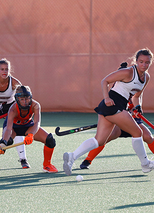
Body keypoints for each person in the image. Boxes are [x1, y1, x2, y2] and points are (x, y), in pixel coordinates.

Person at [63, 48, 154, 176]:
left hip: (115, 107)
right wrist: (106, 98)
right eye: (141, 62)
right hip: (113, 104)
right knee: (137, 132)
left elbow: (136, 96)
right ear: (136, 61)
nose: (144, 65)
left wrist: (138, 107)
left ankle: (72, 156)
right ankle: (145, 164)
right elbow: (105, 81)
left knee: (99, 140)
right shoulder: (127, 72)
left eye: (147, 62)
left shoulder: (146, 77)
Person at [0, 85, 58, 175]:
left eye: (27, 98)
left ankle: (47, 165)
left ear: (30, 97)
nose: (25, 102)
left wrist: (31, 134)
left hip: (28, 126)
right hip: (13, 128)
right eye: (22, 99)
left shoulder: (35, 105)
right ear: (17, 99)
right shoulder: (12, 109)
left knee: (50, 140)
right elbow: (8, 129)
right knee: (3, 145)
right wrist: (3, 142)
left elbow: (37, 123)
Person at [80, 101, 154, 169]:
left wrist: (134, 111)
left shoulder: (136, 90)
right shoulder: (116, 92)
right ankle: (88, 160)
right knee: (105, 137)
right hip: (118, 122)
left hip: (135, 122)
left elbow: (137, 104)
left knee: (148, 137)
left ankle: (145, 164)